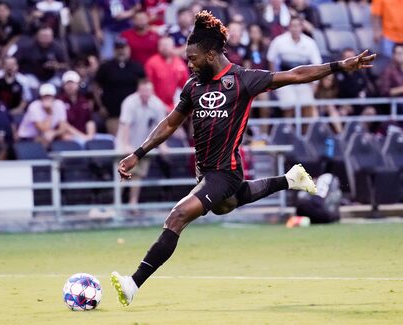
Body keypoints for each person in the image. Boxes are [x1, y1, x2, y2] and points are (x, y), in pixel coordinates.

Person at [110, 11, 376, 307]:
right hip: (206, 173)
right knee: (226, 206)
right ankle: (290, 179)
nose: (189, 64)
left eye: (193, 58)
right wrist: (137, 153)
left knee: (177, 216)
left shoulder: (243, 80)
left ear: (211, 54)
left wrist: (339, 65)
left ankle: (132, 284)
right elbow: (171, 123)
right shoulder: (193, 86)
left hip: (226, 171)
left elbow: (296, 75)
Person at [116, 79, 167, 209]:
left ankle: (133, 205)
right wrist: (126, 145)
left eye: (148, 90)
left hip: (143, 147)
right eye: (143, 90)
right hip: (125, 145)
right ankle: (116, 205)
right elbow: (125, 125)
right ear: (139, 90)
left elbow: (161, 126)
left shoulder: (157, 104)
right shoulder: (129, 103)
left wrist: (162, 145)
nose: (146, 93)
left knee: (137, 176)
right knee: (122, 175)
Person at [267, 16, 322, 120]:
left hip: (304, 81)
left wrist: (314, 84)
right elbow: (271, 59)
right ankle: (288, 133)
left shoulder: (310, 43)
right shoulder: (279, 41)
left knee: (308, 107)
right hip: (284, 80)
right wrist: (273, 81)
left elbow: (317, 64)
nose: (295, 29)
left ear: (301, 27)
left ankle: (305, 135)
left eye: (297, 26)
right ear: (289, 27)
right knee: (289, 106)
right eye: (293, 26)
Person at [94, 38, 145, 135]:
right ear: (114, 50)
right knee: (118, 141)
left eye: (123, 48)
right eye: (118, 48)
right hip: (113, 112)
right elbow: (95, 87)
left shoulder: (137, 66)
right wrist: (100, 106)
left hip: (135, 112)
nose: (121, 51)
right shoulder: (105, 67)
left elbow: (143, 86)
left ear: (128, 49)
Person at [145, 37, 189, 112]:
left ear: (173, 46)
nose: (165, 48)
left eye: (167, 45)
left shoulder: (179, 62)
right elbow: (148, 87)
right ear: (158, 47)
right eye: (162, 45)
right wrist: (161, 106)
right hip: (155, 104)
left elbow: (186, 86)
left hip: (175, 104)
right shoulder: (151, 63)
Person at [58, 70, 96, 144]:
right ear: (63, 85)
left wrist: (90, 136)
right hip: (69, 136)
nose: (70, 86)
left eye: (73, 83)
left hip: (85, 135)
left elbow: (89, 120)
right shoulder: (59, 101)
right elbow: (63, 124)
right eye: (67, 83)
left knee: (110, 139)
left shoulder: (84, 100)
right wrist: (83, 137)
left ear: (78, 84)